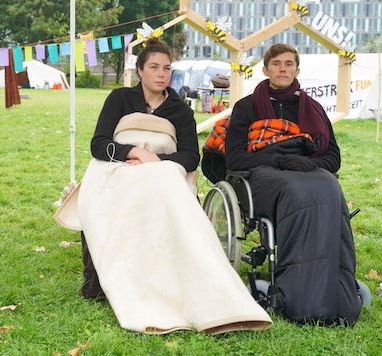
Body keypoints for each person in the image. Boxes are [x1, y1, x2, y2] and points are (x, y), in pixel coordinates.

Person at [55, 37, 272, 335]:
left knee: (167, 180)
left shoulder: (180, 110)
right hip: (119, 169)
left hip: (162, 171)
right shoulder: (120, 99)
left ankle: (194, 286)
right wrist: (135, 152)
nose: (161, 73)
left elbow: (189, 157)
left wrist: (153, 159)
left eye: (166, 68)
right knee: (126, 187)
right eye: (154, 67)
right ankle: (118, 279)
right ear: (141, 71)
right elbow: (99, 144)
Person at [220, 43, 361, 326]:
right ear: (265, 69)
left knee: (330, 188)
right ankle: (300, 297)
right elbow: (235, 158)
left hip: (308, 171)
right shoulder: (247, 107)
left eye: (288, 64)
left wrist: (309, 163)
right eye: (276, 64)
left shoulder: (314, 109)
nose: (282, 69)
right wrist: (278, 158)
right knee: (298, 193)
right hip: (263, 176)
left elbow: (332, 158)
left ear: (297, 69)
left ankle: (338, 291)